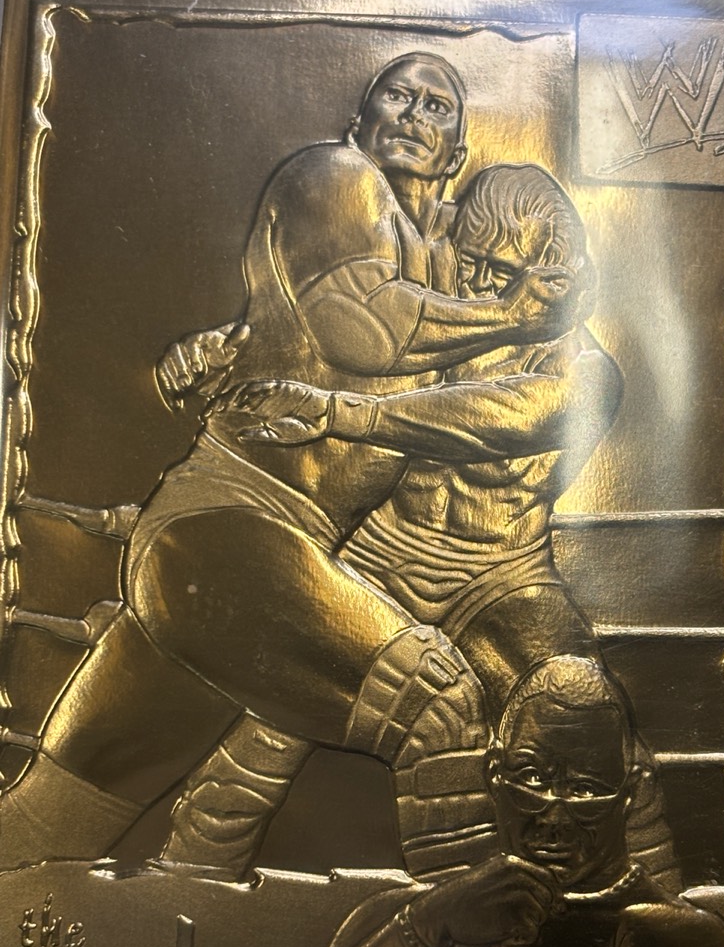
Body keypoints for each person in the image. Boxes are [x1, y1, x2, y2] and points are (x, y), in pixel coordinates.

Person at [0, 55, 594, 871]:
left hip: (245, 570)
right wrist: (516, 315)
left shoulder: (436, 259)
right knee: (436, 702)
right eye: (399, 96)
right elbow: (368, 333)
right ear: (360, 121)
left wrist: (226, 347)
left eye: (438, 107)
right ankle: (453, 937)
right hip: (230, 532)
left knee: (48, 825)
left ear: (458, 155)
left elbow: (346, 328)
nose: (414, 115)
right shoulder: (335, 177)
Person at [158, 166, 675, 890]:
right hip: (377, 556)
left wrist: (342, 413)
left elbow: (500, 418)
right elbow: (313, 329)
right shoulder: (420, 315)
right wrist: (215, 350)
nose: (480, 285)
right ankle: (178, 893)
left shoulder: (588, 371)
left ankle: (662, 917)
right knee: (268, 732)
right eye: (471, 261)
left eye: (504, 273)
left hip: (502, 575)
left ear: (559, 278)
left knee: (600, 731)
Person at [261, 656, 724, 947]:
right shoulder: (409, 916)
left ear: (629, 792)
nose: (555, 814)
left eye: (585, 788)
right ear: (494, 773)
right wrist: (427, 924)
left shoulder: (676, 940)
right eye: (532, 778)